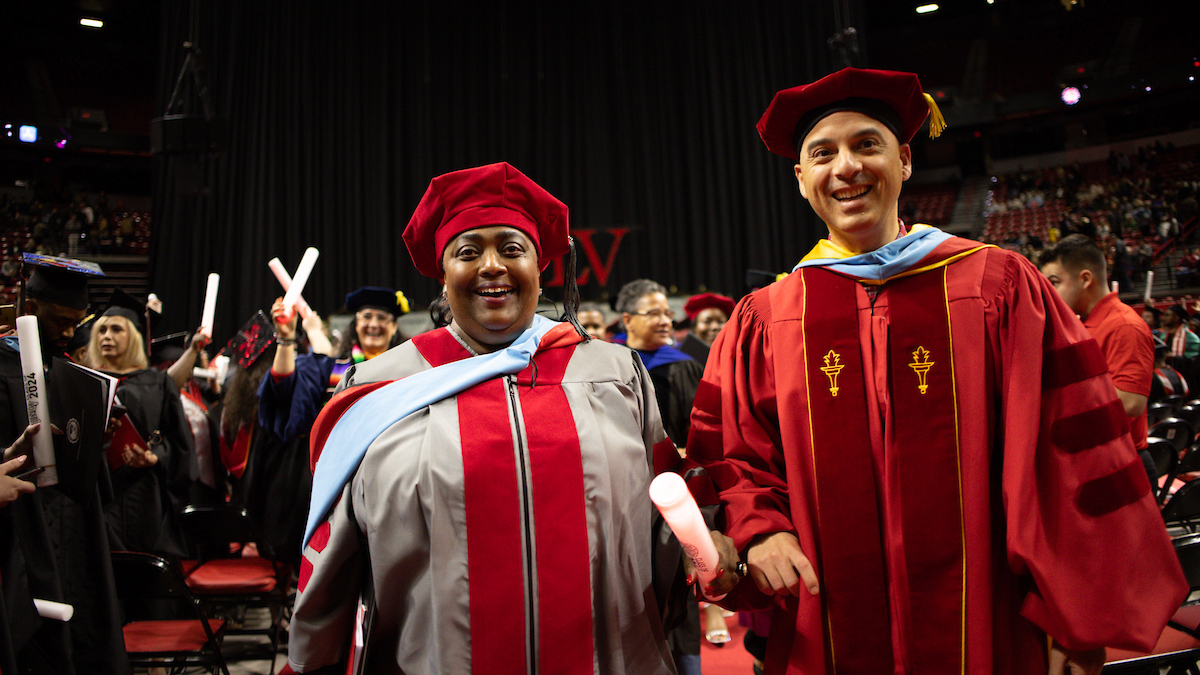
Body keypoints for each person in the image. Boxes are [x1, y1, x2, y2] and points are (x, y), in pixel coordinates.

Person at [688, 67, 1186, 675]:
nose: (845, 167)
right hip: (829, 621)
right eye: (823, 153)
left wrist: (1069, 620)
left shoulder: (999, 285)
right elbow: (731, 453)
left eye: (866, 144)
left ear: (904, 162)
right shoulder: (765, 318)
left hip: (986, 612)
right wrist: (761, 529)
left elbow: (1066, 447)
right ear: (801, 180)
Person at [288, 162, 735, 673]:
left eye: (512, 248)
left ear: (540, 267)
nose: (492, 266)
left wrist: (706, 538)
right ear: (443, 271)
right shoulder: (378, 389)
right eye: (468, 251)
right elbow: (331, 558)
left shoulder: (613, 372)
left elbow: (663, 504)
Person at [0, 255, 129, 674]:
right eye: (60, 320)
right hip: (20, 524)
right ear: (30, 306)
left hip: (73, 524)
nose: (71, 332)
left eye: (78, 321)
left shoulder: (70, 370)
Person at [1039, 234, 1155, 479]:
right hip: (1102, 458)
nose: (1048, 293)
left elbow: (1131, 402)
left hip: (1124, 463)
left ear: (1085, 279)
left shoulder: (1123, 325)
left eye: (1054, 282)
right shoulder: (1085, 323)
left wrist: (1061, 396)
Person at [90, 290, 196, 558]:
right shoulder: (86, 381)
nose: (106, 337)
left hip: (145, 497)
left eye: (116, 329)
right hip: (98, 493)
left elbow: (180, 442)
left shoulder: (158, 383)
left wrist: (155, 456)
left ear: (134, 337)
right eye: (101, 330)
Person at [259, 286, 408, 444]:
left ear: (394, 327)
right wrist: (286, 338)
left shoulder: (406, 368)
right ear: (356, 324)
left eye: (382, 318)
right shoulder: (330, 367)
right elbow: (285, 385)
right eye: (367, 316)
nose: (373, 324)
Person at [617, 279, 704, 449]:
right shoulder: (613, 363)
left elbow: (698, 426)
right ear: (627, 320)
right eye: (654, 314)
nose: (665, 321)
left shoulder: (684, 366)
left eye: (668, 314)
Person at [679, 292, 735, 364]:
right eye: (707, 321)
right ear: (694, 327)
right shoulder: (682, 360)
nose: (715, 327)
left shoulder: (736, 357)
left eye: (720, 322)